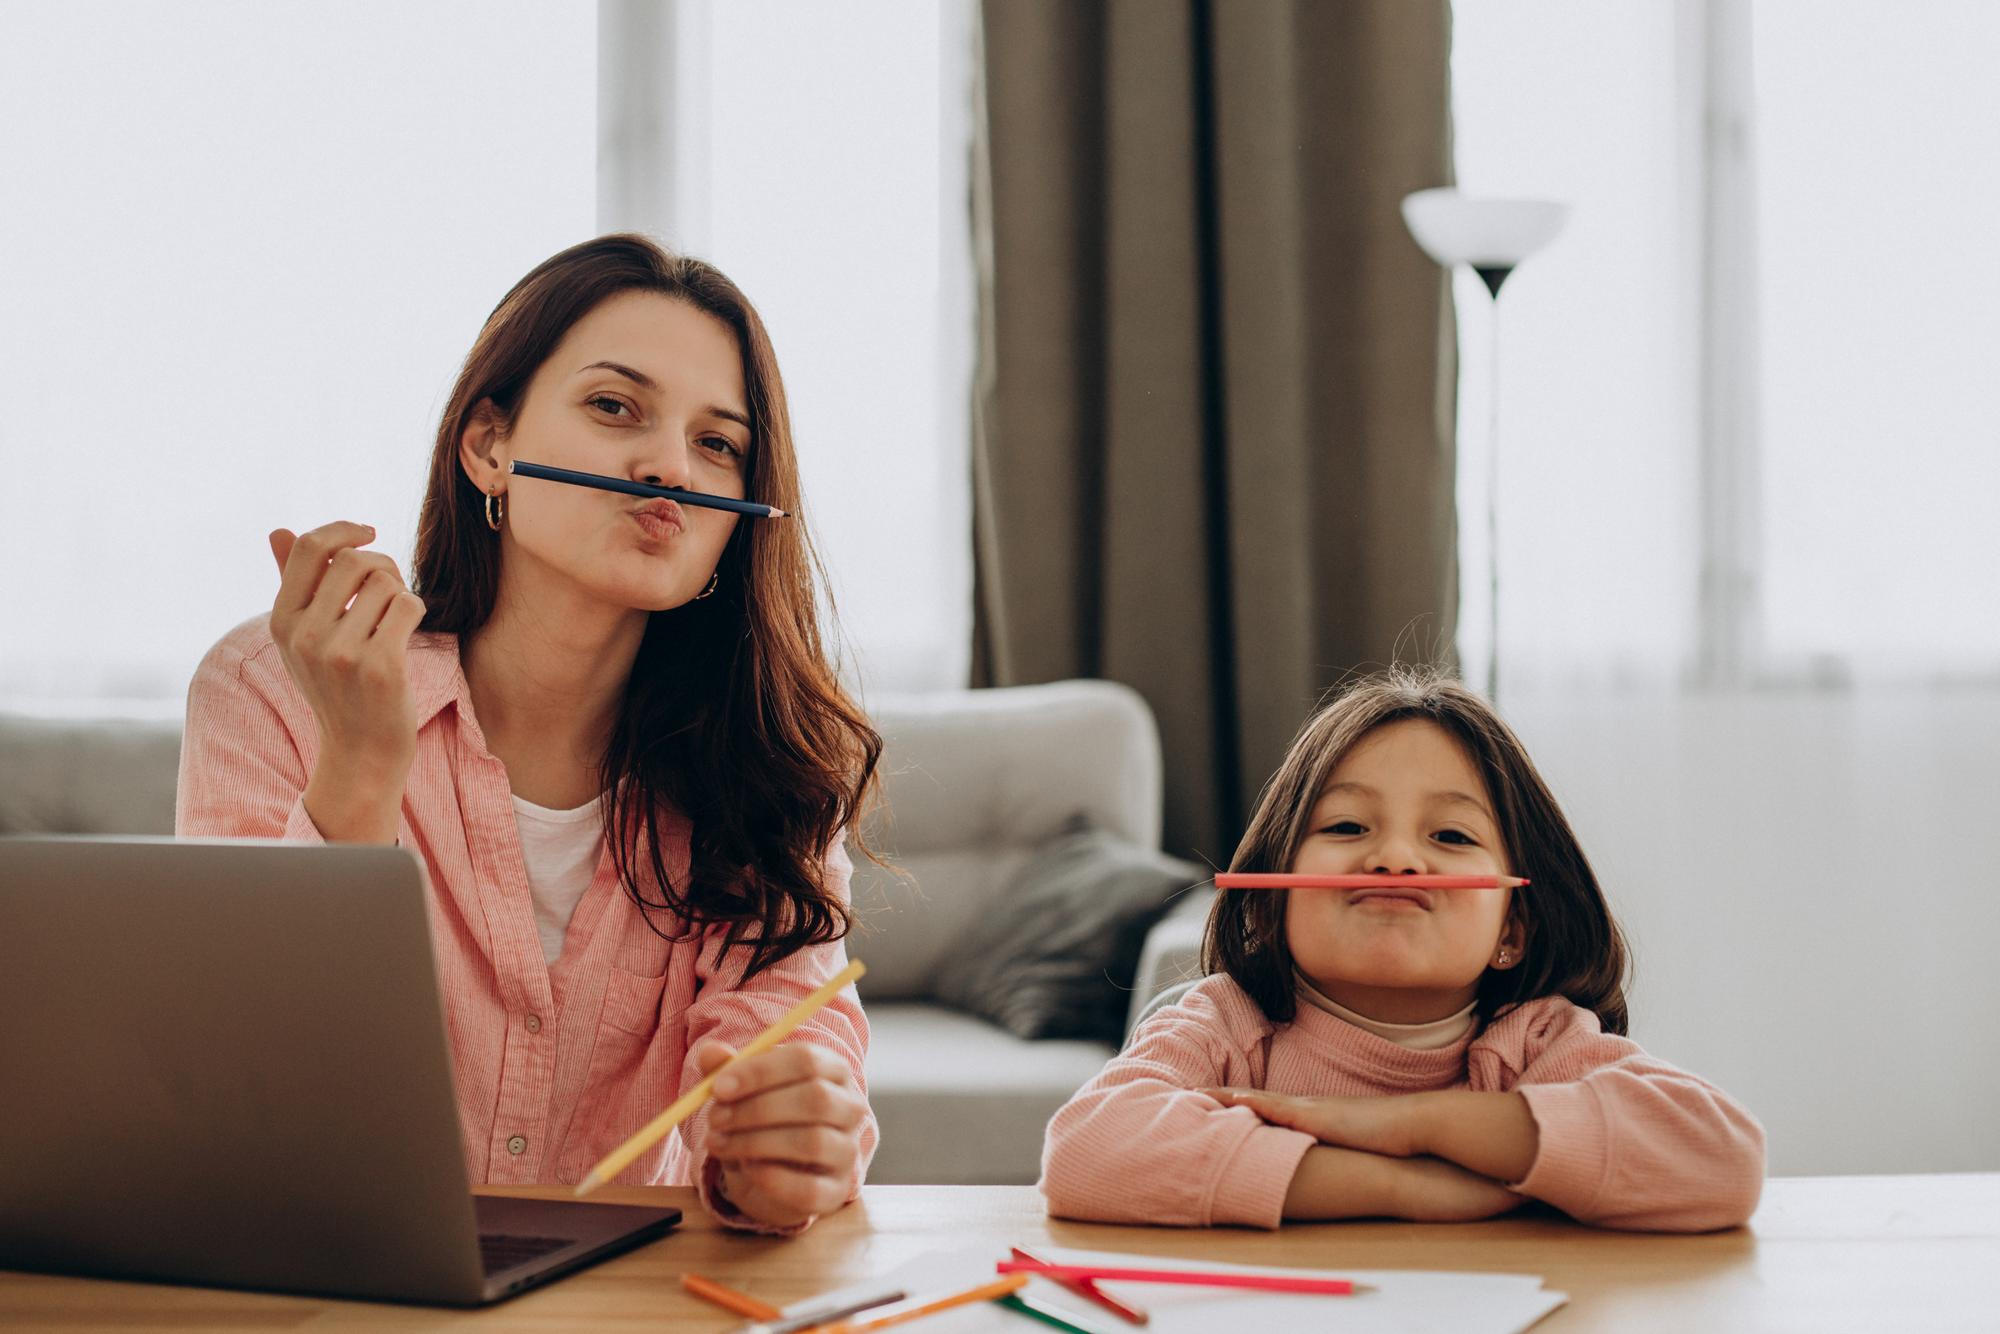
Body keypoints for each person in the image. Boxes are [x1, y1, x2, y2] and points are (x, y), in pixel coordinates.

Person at [176, 235, 879, 1235]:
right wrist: (364, 767)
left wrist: (787, 1153)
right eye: (613, 406)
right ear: (488, 448)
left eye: (717, 444)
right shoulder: (274, 685)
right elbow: (233, 1092)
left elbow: (792, 1089)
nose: (667, 465)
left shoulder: (774, 765)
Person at [1041, 668, 1764, 1231]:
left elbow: (1722, 1157)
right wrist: (1400, 1185)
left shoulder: (1534, 1040)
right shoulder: (1227, 1024)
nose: (1394, 857)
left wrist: (1402, 1125)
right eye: (1348, 826)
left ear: (1512, 930)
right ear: (1270, 899)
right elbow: (1085, 1151)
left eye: (1449, 837)